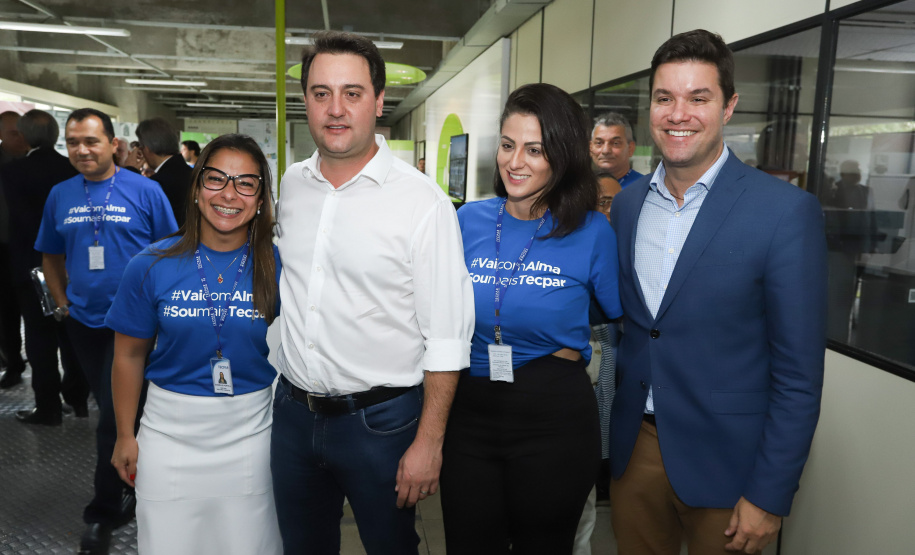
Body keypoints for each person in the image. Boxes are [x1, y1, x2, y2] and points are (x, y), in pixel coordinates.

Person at [608, 30, 827, 554]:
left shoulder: (783, 211)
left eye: (698, 98)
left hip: (732, 461)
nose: (678, 113)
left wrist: (770, 494)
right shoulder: (629, 205)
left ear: (729, 107)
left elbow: (799, 374)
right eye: (665, 98)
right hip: (636, 447)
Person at [271, 31, 473, 555]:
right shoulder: (290, 187)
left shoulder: (423, 204)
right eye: (320, 93)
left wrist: (429, 444)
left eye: (352, 93)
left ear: (379, 101)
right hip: (293, 416)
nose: (335, 109)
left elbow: (447, 337)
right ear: (306, 100)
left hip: (381, 426)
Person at [440, 83, 623, 554]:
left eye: (534, 149)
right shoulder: (467, 221)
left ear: (561, 155)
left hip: (554, 421)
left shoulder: (592, 231)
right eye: (507, 145)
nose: (515, 161)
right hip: (469, 416)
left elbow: (617, 319)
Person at [108, 134, 282, 555]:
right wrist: (124, 435)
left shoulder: (280, 266)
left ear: (260, 198)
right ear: (197, 187)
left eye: (245, 183)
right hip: (169, 436)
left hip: (253, 437)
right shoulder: (150, 264)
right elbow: (128, 356)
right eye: (216, 179)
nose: (229, 194)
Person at [35, 108, 178, 555]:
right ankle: (131, 486)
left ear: (113, 144)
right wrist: (61, 304)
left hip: (137, 328)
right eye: (73, 142)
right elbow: (51, 257)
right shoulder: (60, 195)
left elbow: (172, 253)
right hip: (85, 324)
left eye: (91, 141)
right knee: (117, 413)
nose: (81, 150)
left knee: (115, 421)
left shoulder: (146, 191)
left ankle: (103, 513)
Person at [0, 109, 88, 424]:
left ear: (23, 137)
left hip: (29, 264)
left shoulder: (14, 172)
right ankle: (78, 398)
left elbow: (22, 221)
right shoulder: (72, 169)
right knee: (71, 332)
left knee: (39, 336)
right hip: (69, 264)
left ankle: (48, 406)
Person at [0, 110, 28, 387]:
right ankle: (13, 364)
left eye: (21, 131)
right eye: (12, 133)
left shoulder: (34, 163)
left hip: (35, 248)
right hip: (3, 248)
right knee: (7, 312)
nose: (20, 137)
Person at [136, 117, 193, 226]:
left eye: (141, 147)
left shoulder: (156, 184)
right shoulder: (192, 173)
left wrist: (130, 170)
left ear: (147, 148)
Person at [590, 112, 643, 188]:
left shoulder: (644, 189)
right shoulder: (579, 187)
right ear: (590, 148)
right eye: (599, 143)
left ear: (630, 148)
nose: (605, 151)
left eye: (615, 143)